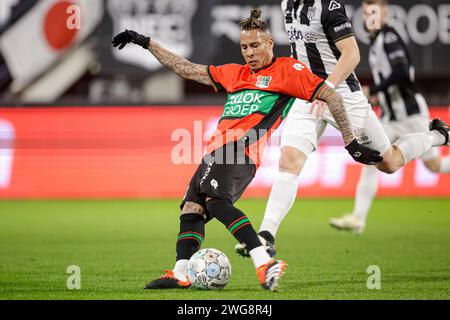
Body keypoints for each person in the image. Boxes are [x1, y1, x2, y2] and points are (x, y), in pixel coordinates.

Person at [111, 9, 382, 291]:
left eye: (255, 46)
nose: (249, 53)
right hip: (216, 151)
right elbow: (185, 68)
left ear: (269, 44)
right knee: (192, 208)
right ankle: (181, 273)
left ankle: (264, 260)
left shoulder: (288, 71)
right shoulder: (234, 74)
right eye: (244, 47)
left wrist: (350, 141)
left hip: (241, 150)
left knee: (216, 202)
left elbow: (331, 96)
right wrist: (145, 42)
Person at [235, 0, 449, 257]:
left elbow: (352, 54)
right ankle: (266, 236)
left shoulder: (329, 6)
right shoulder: (286, 5)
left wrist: (328, 87)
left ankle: (438, 135)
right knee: (289, 160)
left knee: (389, 163)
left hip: (343, 95)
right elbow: (299, 52)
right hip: (306, 95)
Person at [329, 0, 450, 234]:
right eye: (366, 14)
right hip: (390, 115)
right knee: (372, 160)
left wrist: (373, 90)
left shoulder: (389, 38)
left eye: (373, 13)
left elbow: (402, 72)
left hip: (409, 113)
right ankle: (358, 218)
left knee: (434, 165)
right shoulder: (376, 42)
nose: (369, 19)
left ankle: (358, 218)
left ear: (385, 13)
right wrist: (378, 97)